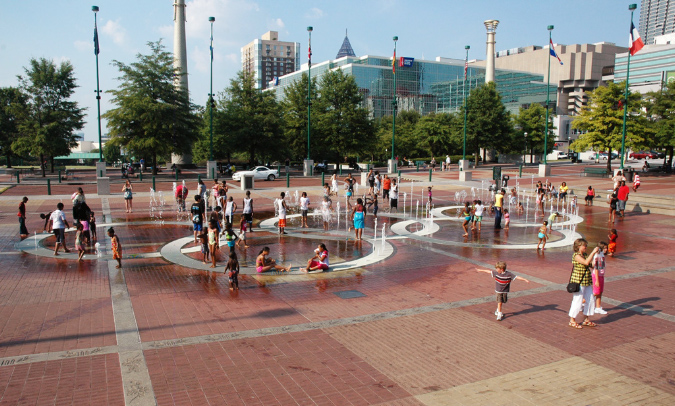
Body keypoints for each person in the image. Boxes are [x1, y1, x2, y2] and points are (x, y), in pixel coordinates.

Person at [568, 239, 600, 329]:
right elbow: (586, 262)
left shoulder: (585, 255)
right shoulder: (576, 255)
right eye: (584, 245)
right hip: (578, 281)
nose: (586, 247)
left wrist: (596, 257)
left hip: (587, 281)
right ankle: (572, 320)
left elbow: (591, 264)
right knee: (577, 300)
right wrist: (593, 252)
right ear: (579, 246)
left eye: (586, 245)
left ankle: (586, 319)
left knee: (590, 300)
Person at [592, 241, 608, 315]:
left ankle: (598, 307)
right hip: (597, 276)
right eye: (605, 248)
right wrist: (597, 280)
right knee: (595, 292)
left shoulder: (602, 255)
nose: (606, 249)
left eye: (606, 248)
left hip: (601, 275)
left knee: (600, 292)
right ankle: (582, 302)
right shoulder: (598, 255)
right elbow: (596, 268)